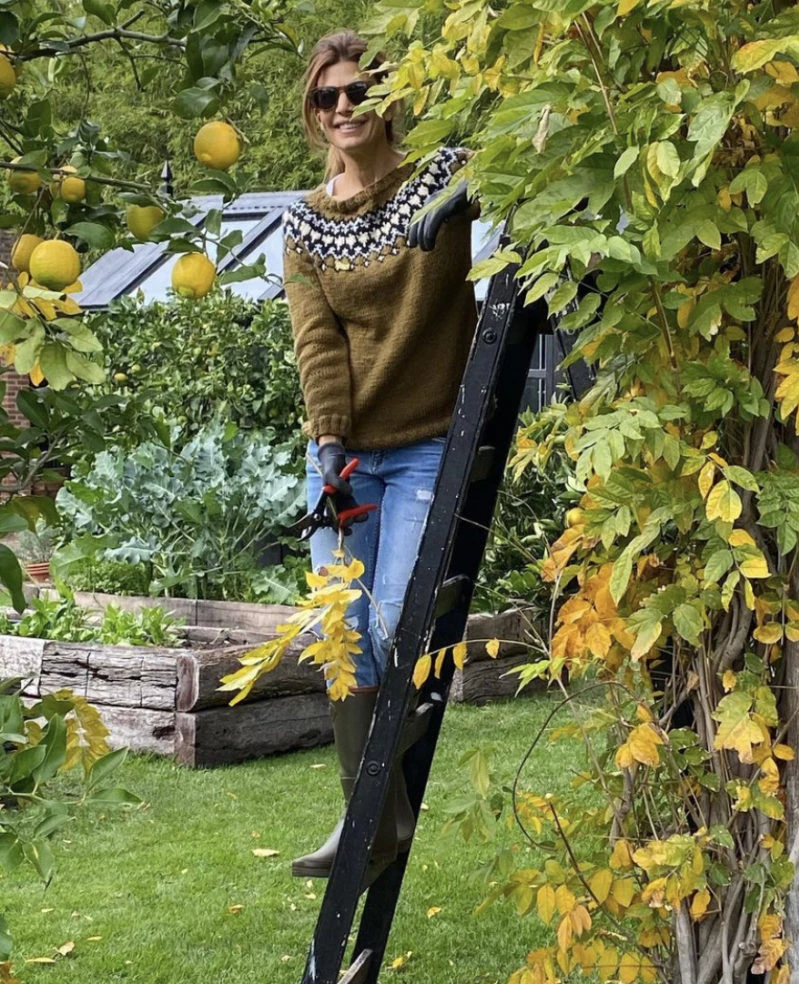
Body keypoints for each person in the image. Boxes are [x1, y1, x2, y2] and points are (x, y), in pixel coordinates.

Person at [282, 28, 479, 881]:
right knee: (339, 634)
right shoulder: (303, 222)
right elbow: (317, 343)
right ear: (312, 114)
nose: (342, 109)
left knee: (396, 626)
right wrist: (327, 449)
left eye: (357, 92)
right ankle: (376, 814)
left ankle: (371, 816)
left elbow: (496, 156)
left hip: (427, 442)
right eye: (327, 98)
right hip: (349, 459)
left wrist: (459, 191)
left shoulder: (435, 178)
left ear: (385, 98)